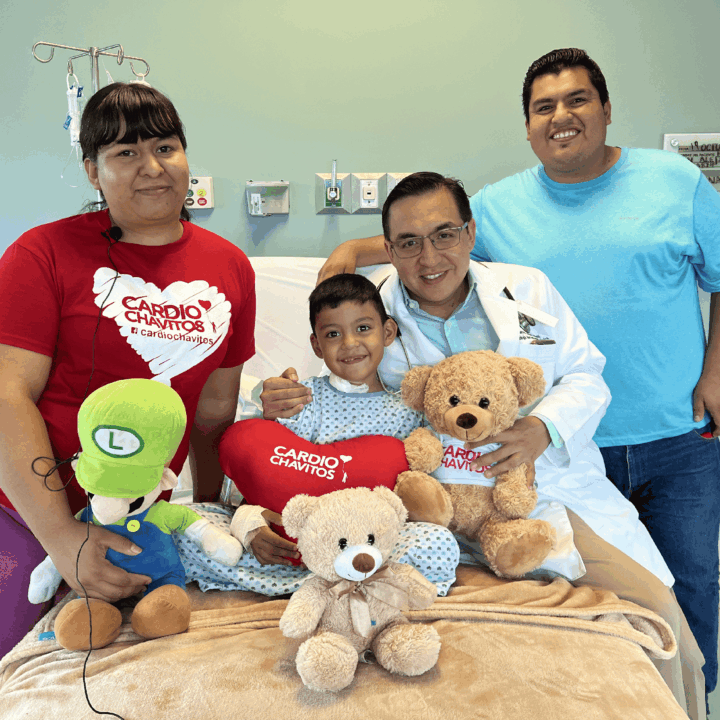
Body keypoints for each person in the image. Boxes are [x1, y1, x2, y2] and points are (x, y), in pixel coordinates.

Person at [263, 171, 706, 718]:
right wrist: (279, 396)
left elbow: (585, 373)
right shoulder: (369, 312)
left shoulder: (527, 292)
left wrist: (542, 428)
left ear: (470, 233)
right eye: (409, 243)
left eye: (444, 235)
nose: (429, 258)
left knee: (656, 603)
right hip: (430, 509)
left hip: (541, 490)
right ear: (390, 251)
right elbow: (330, 389)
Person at [0, 83, 255, 657]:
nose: (152, 168)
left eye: (165, 147)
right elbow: (6, 395)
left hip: (144, 518)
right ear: (93, 172)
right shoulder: (41, 254)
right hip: (28, 513)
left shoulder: (231, 266)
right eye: (125, 153)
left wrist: (206, 510)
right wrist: (62, 537)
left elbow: (214, 410)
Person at [177, 273, 460, 596]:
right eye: (333, 334)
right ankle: (341, 585)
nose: (350, 343)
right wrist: (250, 524)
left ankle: (333, 582)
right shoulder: (300, 401)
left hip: (370, 548)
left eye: (363, 328)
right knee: (186, 526)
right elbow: (256, 480)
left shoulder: (409, 413)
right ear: (316, 345)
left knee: (436, 542)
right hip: (296, 547)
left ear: (388, 332)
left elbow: (417, 498)